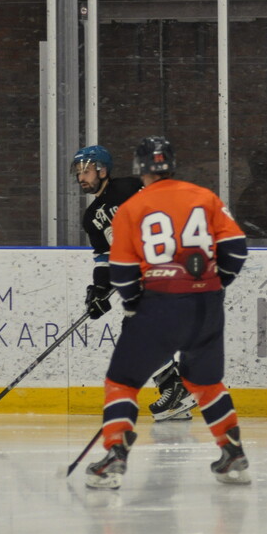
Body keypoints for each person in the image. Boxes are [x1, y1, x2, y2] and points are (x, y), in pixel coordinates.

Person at [85, 135, 250, 490]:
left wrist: (133, 305)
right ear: (172, 164)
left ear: (138, 168)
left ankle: (115, 454)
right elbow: (236, 249)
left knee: (123, 382)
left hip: (160, 304)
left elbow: (122, 270)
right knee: (205, 383)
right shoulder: (204, 197)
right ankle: (232, 452)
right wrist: (215, 283)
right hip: (207, 305)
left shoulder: (132, 207)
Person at [72, 145, 197, 423]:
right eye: (78, 172)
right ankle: (174, 391)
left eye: (86, 171)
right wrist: (99, 290)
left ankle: (175, 388)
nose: (81, 177)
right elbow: (104, 257)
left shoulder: (128, 187)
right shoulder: (91, 217)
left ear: (102, 171)